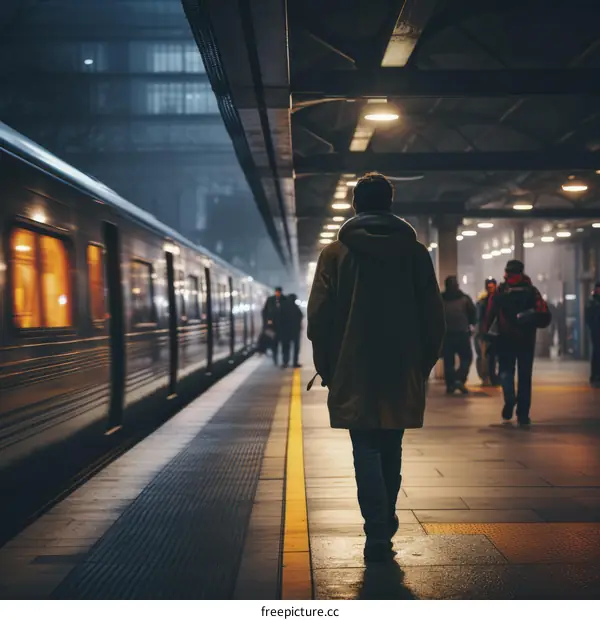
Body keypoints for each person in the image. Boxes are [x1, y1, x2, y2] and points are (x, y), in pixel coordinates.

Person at [307, 172, 445, 562]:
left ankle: (377, 531)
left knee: (364, 449)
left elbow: (317, 317)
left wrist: (328, 366)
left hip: (353, 368)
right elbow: (434, 317)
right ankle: (387, 519)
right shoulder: (415, 253)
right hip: (401, 369)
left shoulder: (335, 254)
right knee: (392, 445)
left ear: (355, 204)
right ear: (389, 204)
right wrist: (421, 364)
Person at [485, 259, 551, 425]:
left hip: (505, 339)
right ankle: (522, 414)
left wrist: (486, 334)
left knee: (506, 370)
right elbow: (543, 312)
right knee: (524, 376)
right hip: (526, 340)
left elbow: (490, 313)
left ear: (507, 273)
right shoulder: (531, 290)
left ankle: (509, 397)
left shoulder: (500, 291)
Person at [441, 275, 477, 394]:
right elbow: (473, 314)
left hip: (446, 335)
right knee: (467, 358)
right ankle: (459, 379)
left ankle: (451, 384)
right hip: (462, 333)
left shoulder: (441, 299)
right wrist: (471, 324)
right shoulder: (464, 299)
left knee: (448, 361)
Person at [476, 278, 500, 386]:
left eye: (492, 286)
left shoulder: (499, 300)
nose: (490, 289)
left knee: (496, 356)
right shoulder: (483, 301)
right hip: (486, 333)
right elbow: (479, 317)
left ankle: (494, 376)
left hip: (498, 332)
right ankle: (488, 376)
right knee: (487, 356)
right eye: (489, 287)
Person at [262, 287, 289, 366]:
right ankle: (275, 360)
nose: (277, 293)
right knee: (274, 345)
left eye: (279, 292)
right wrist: (267, 323)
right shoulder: (270, 300)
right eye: (276, 292)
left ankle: (285, 361)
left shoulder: (285, 300)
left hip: (283, 327)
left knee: (285, 346)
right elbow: (265, 311)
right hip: (273, 328)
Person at [585, 282, 600, 387]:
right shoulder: (592, 301)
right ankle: (595, 375)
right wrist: (593, 327)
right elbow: (588, 317)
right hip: (596, 331)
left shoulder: (593, 301)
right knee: (596, 352)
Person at [284, 293, 303, 368]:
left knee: (286, 347)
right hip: (295, 331)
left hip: (286, 331)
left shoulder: (284, 307)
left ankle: (285, 362)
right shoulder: (296, 307)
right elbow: (301, 316)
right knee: (296, 348)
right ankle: (295, 362)